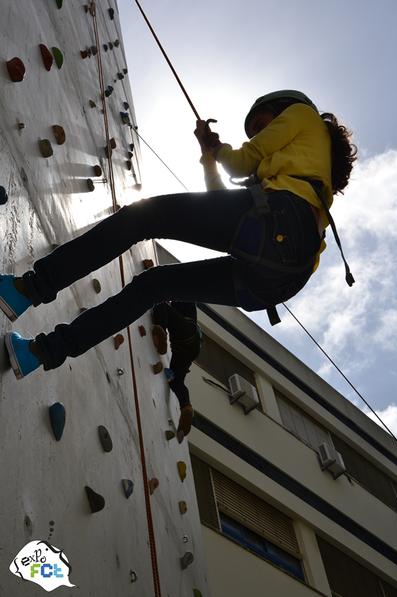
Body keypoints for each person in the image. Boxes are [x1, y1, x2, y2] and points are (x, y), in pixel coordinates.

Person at [0, 89, 357, 383]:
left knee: (145, 217)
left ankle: (27, 289)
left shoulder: (302, 115)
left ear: (281, 109)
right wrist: (209, 155)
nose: (259, 136)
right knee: (154, 286)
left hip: (275, 226)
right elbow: (221, 200)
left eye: (261, 126)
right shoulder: (303, 177)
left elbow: (240, 163)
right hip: (283, 276)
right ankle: (40, 353)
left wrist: (221, 151)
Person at [151, 301, 202, 442]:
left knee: (160, 305)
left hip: (186, 334)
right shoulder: (188, 298)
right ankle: (186, 406)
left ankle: (160, 333)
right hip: (188, 348)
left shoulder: (182, 293)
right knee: (175, 380)